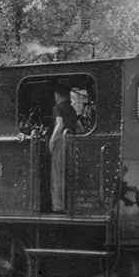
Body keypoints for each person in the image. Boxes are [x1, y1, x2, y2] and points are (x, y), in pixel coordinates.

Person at [49, 85, 78, 213]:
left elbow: (59, 124)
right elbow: (81, 128)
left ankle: (58, 206)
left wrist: (51, 140)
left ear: (57, 95)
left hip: (61, 142)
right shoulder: (72, 109)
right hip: (71, 143)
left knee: (57, 175)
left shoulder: (57, 108)